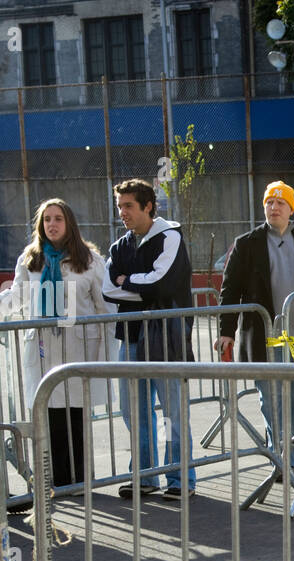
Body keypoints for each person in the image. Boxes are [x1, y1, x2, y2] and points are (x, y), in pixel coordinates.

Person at [0, 198, 115, 487]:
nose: (51, 224)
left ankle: (80, 479)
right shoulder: (31, 259)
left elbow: (105, 306)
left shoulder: (89, 259)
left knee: (76, 414)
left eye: (58, 219)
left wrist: (106, 347)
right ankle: (57, 480)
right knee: (49, 412)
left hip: (79, 348)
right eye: (47, 219)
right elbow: (13, 300)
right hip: (42, 348)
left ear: (69, 224)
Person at [217, 181, 294, 478]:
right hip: (264, 336)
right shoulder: (247, 243)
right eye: (269, 203)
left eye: (280, 203)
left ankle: (284, 444)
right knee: (271, 398)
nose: (273, 208)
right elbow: (229, 289)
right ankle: (283, 457)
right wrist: (227, 330)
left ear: (291, 209)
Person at [103, 178, 195, 500]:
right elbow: (107, 289)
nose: (122, 213)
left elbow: (164, 284)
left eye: (128, 206)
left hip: (166, 336)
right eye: (120, 207)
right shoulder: (119, 247)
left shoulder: (170, 237)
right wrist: (141, 287)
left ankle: (179, 479)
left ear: (148, 206)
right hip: (128, 337)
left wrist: (128, 282)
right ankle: (144, 477)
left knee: (172, 411)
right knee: (134, 412)